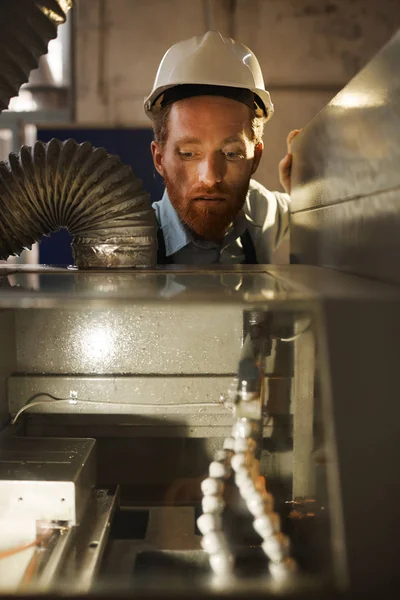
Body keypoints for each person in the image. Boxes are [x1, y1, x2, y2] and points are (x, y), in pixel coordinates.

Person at [144, 31, 298, 265]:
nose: (211, 178)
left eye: (231, 154)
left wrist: (305, 194)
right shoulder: (131, 241)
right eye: (188, 154)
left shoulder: (266, 215)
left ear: (255, 158)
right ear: (159, 159)